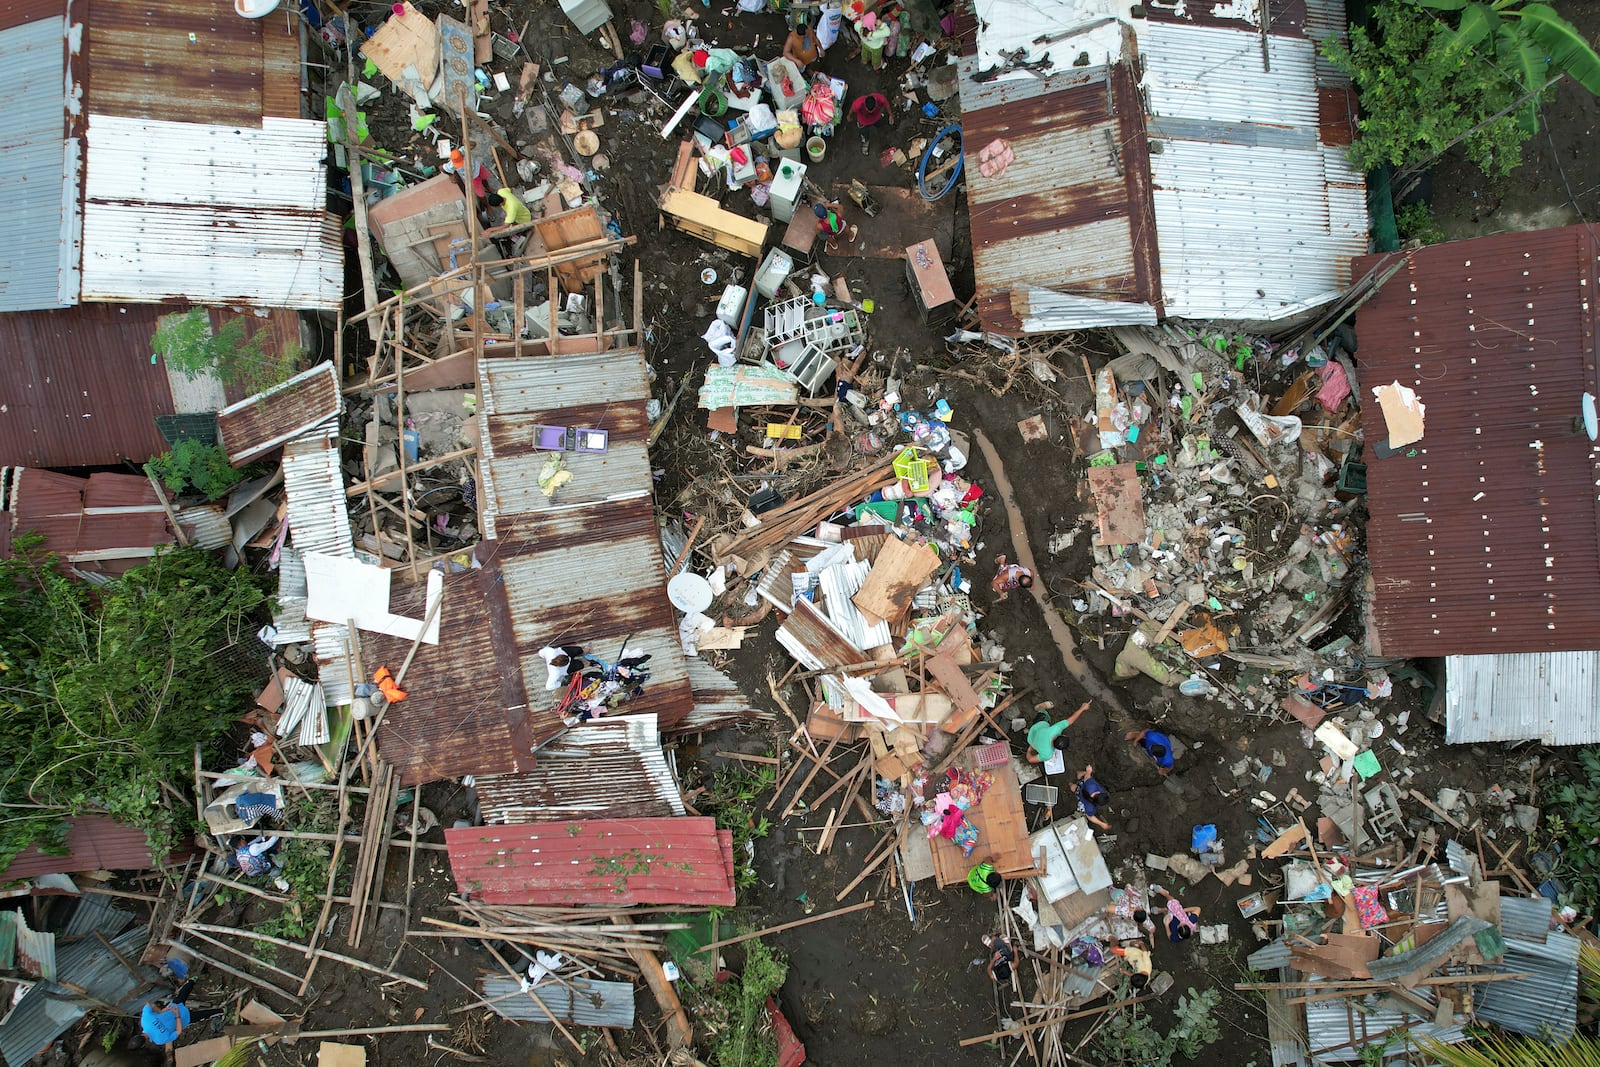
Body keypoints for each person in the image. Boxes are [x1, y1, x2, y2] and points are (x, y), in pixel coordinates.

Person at [140, 979, 225, 1048]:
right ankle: (193, 979)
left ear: (144, 1044)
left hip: (184, 1018)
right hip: (174, 1007)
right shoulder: (145, 1021)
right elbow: (149, 1004)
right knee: (183, 993)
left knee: (204, 1014)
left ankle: (222, 1011)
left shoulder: (159, 1040)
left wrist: (177, 1016)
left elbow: (178, 1031)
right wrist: (161, 1011)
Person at [1025, 701, 1090, 764]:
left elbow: (1071, 720)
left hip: (1036, 727)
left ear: (1058, 736)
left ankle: (1041, 708)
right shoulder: (1048, 754)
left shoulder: (1056, 729)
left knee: (1045, 717)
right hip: (1030, 740)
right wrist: (1029, 750)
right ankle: (1040, 710)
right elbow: (1030, 759)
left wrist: (1082, 708)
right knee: (1038, 747)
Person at [1075, 765, 1111, 831]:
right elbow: (1090, 816)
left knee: (1074, 786)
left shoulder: (1091, 786)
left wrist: (1088, 771)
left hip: (1082, 788)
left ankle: (1072, 780)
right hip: (1081, 797)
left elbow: (1086, 778)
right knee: (1075, 788)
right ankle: (1075, 779)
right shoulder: (1090, 807)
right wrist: (1101, 824)